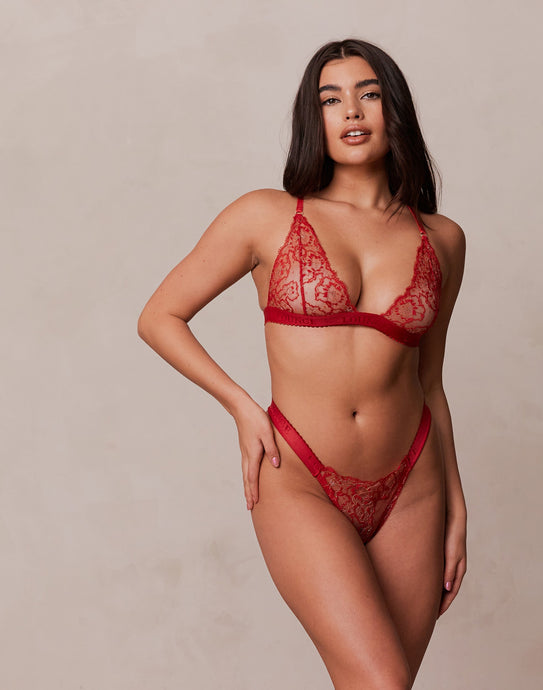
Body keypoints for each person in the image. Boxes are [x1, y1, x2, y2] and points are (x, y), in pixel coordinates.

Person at [138, 38, 467, 690]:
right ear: (312, 119)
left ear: (395, 109)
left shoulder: (443, 239)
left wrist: (456, 506)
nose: (352, 111)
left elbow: (430, 381)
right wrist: (241, 406)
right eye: (330, 99)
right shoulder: (265, 215)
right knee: (379, 680)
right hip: (299, 476)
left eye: (369, 94)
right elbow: (160, 316)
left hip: (413, 485)